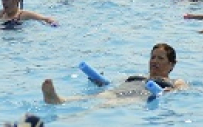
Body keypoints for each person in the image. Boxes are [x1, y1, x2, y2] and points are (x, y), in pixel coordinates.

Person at [41, 43, 188, 104]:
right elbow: (112, 83)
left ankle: (73, 117)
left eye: (160, 58)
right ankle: (59, 99)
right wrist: (99, 81)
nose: (154, 61)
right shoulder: (138, 75)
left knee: (106, 105)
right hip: (119, 92)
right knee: (96, 97)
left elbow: (181, 90)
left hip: (137, 98)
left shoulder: (176, 81)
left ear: (171, 64)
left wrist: (170, 90)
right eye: (153, 57)